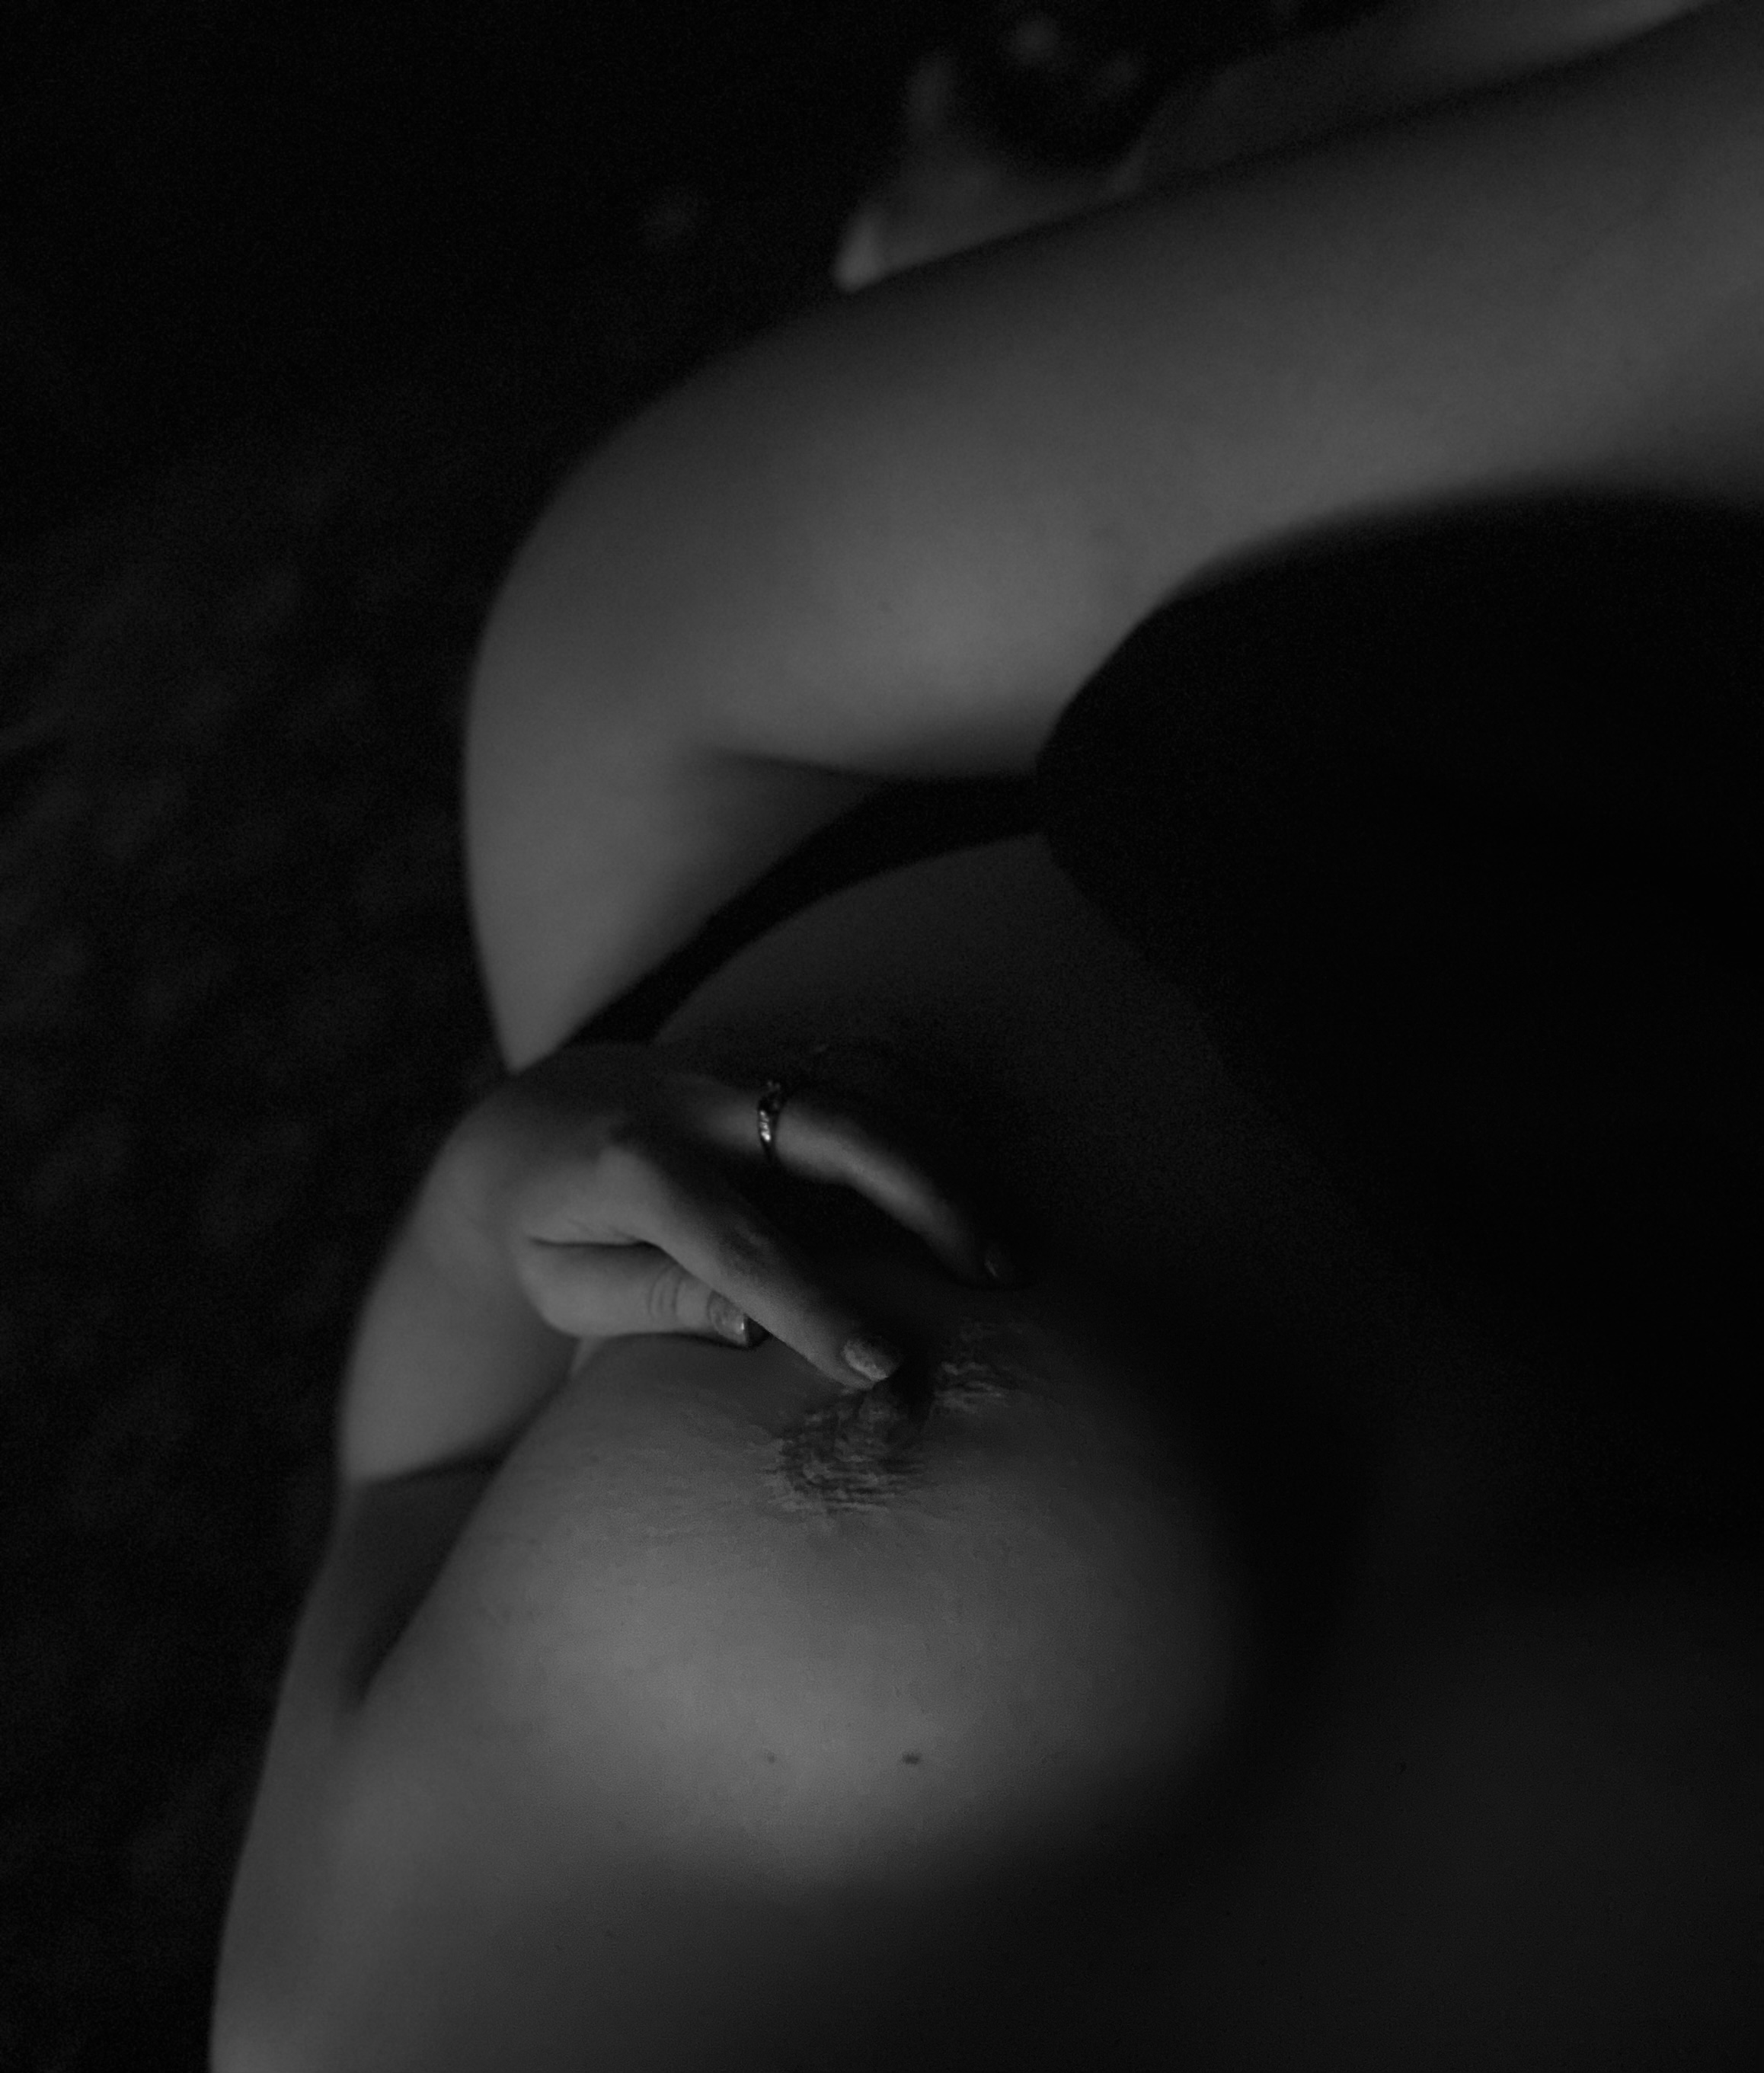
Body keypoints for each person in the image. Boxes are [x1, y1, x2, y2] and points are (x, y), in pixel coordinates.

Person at [212, 2, 1763, 2067]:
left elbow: (399, 1490)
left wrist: (492, 1210)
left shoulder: (331, 2033)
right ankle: (1160, 200)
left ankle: (1182, 197)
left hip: (823, 761)